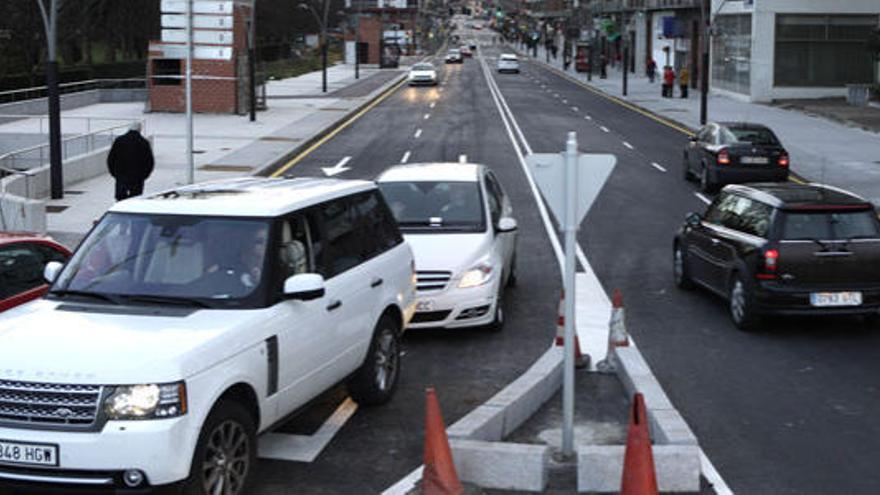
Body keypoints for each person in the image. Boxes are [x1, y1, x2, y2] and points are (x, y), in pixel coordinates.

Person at [107, 122, 154, 201]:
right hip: (137, 177)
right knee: (135, 199)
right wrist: (144, 175)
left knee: (121, 199)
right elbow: (149, 161)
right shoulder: (143, 142)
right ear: (140, 129)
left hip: (121, 176)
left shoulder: (119, 140)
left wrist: (115, 174)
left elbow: (111, 159)